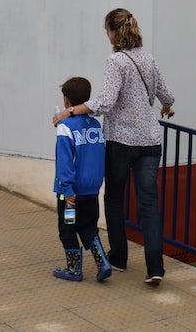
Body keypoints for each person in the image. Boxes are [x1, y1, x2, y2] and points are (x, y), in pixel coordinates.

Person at [53, 9, 174, 286]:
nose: (105, 34)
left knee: (115, 199)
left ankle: (119, 257)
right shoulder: (149, 58)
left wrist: (69, 112)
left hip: (121, 141)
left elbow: (105, 101)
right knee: (149, 203)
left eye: (106, 30)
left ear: (113, 32)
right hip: (151, 142)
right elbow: (166, 94)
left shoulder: (116, 61)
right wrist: (166, 106)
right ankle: (155, 267)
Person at [51, 76, 112, 282]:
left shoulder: (65, 127)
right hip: (91, 191)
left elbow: (65, 162)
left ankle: (74, 269)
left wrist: (67, 190)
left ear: (66, 101)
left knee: (67, 228)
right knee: (88, 226)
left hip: (70, 195)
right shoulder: (95, 124)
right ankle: (102, 261)